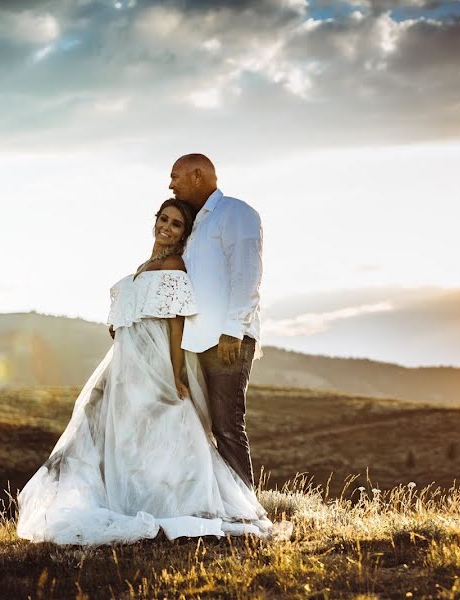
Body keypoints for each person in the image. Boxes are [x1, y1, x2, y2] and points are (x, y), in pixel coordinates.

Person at [16, 199, 274, 545]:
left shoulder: (174, 264)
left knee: (167, 428)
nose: (166, 227)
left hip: (155, 362)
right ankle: (132, 499)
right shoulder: (144, 265)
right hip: (127, 362)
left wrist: (177, 373)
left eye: (176, 224)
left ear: (184, 234)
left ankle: (183, 505)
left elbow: (176, 322)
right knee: (128, 434)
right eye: (163, 219)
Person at [168, 154, 263, 489]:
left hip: (225, 340)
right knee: (195, 428)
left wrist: (233, 330)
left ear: (197, 175)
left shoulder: (235, 213)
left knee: (226, 425)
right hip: (193, 342)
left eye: (176, 176)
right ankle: (214, 503)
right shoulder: (194, 224)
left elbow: (247, 273)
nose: (171, 184)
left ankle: (244, 512)